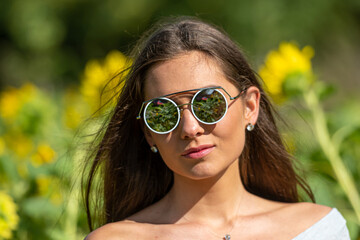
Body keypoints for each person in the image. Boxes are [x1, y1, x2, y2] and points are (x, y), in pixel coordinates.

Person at [83, 16, 350, 239]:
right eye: (163, 113)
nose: (190, 128)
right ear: (147, 132)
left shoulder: (319, 229)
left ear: (250, 107)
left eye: (208, 103)